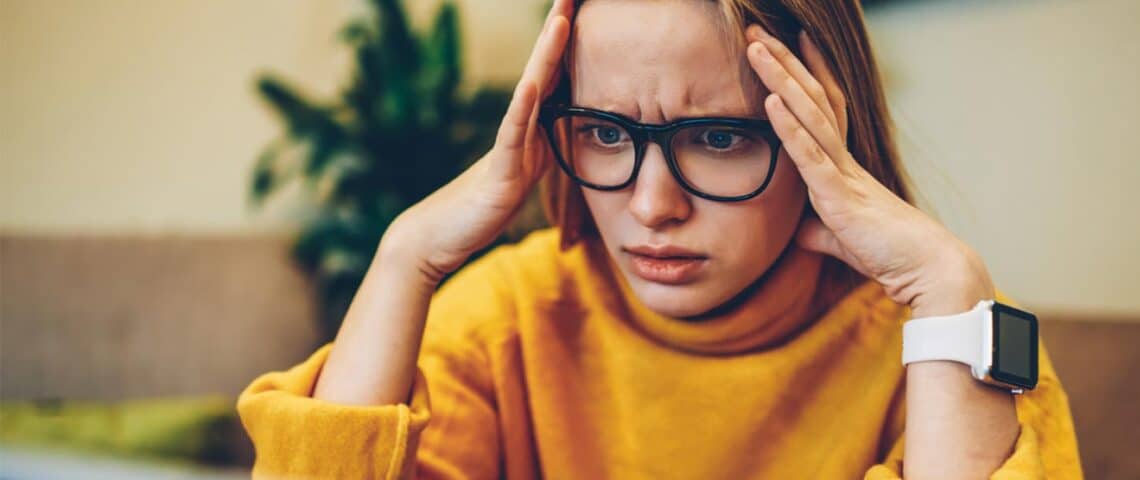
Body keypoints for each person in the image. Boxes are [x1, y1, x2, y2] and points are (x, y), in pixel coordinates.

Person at [237, 0, 1083, 478]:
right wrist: (405, 253)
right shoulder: (503, 322)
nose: (652, 205)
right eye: (605, 132)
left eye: (719, 139)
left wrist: (946, 280)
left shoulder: (953, 345)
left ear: (826, 137)